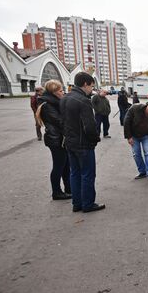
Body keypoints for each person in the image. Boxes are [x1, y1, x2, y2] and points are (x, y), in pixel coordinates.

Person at [61, 72, 105, 213]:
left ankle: (77, 203)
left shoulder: (65, 98)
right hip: (83, 144)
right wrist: (95, 140)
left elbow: (63, 122)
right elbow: (90, 126)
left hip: (70, 143)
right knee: (87, 174)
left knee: (74, 173)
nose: (92, 90)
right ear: (85, 84)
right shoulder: (83, 100)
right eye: (91, 86)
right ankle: (87, 204)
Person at [36, 80, 71, 200]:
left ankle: (69, 189)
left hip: (61, 138)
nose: (63, 93)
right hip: (56, 139)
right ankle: (56, 192)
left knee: (66, 165)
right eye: (61, 91)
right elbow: (59, 121)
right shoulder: (47, 105)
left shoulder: (55, 102)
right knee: (59, 166)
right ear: (54, 92)